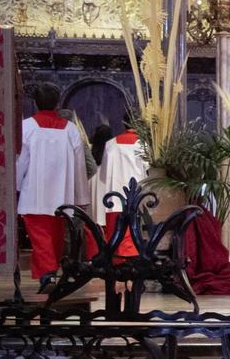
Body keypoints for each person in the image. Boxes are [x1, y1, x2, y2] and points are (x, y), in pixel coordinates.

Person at [16, 84, 92, 282]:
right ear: (57, 102)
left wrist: (14, 186)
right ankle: (49, 272)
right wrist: (81, 196)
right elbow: (79, 167)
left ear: (35, 102)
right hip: (62, 193)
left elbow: (20, 161)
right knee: (56, 236)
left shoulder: (26, 127)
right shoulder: (70, 130)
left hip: (34, 192)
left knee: (41, 237)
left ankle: (47, 273)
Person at [91, 125, 149, 256]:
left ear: (123, 123)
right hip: (136, 199)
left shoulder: (111, 144)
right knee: (133, 237)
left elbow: (104, 176)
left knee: (115, 238)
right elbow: (148, 174)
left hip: (114, 198)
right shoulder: (143, 145)